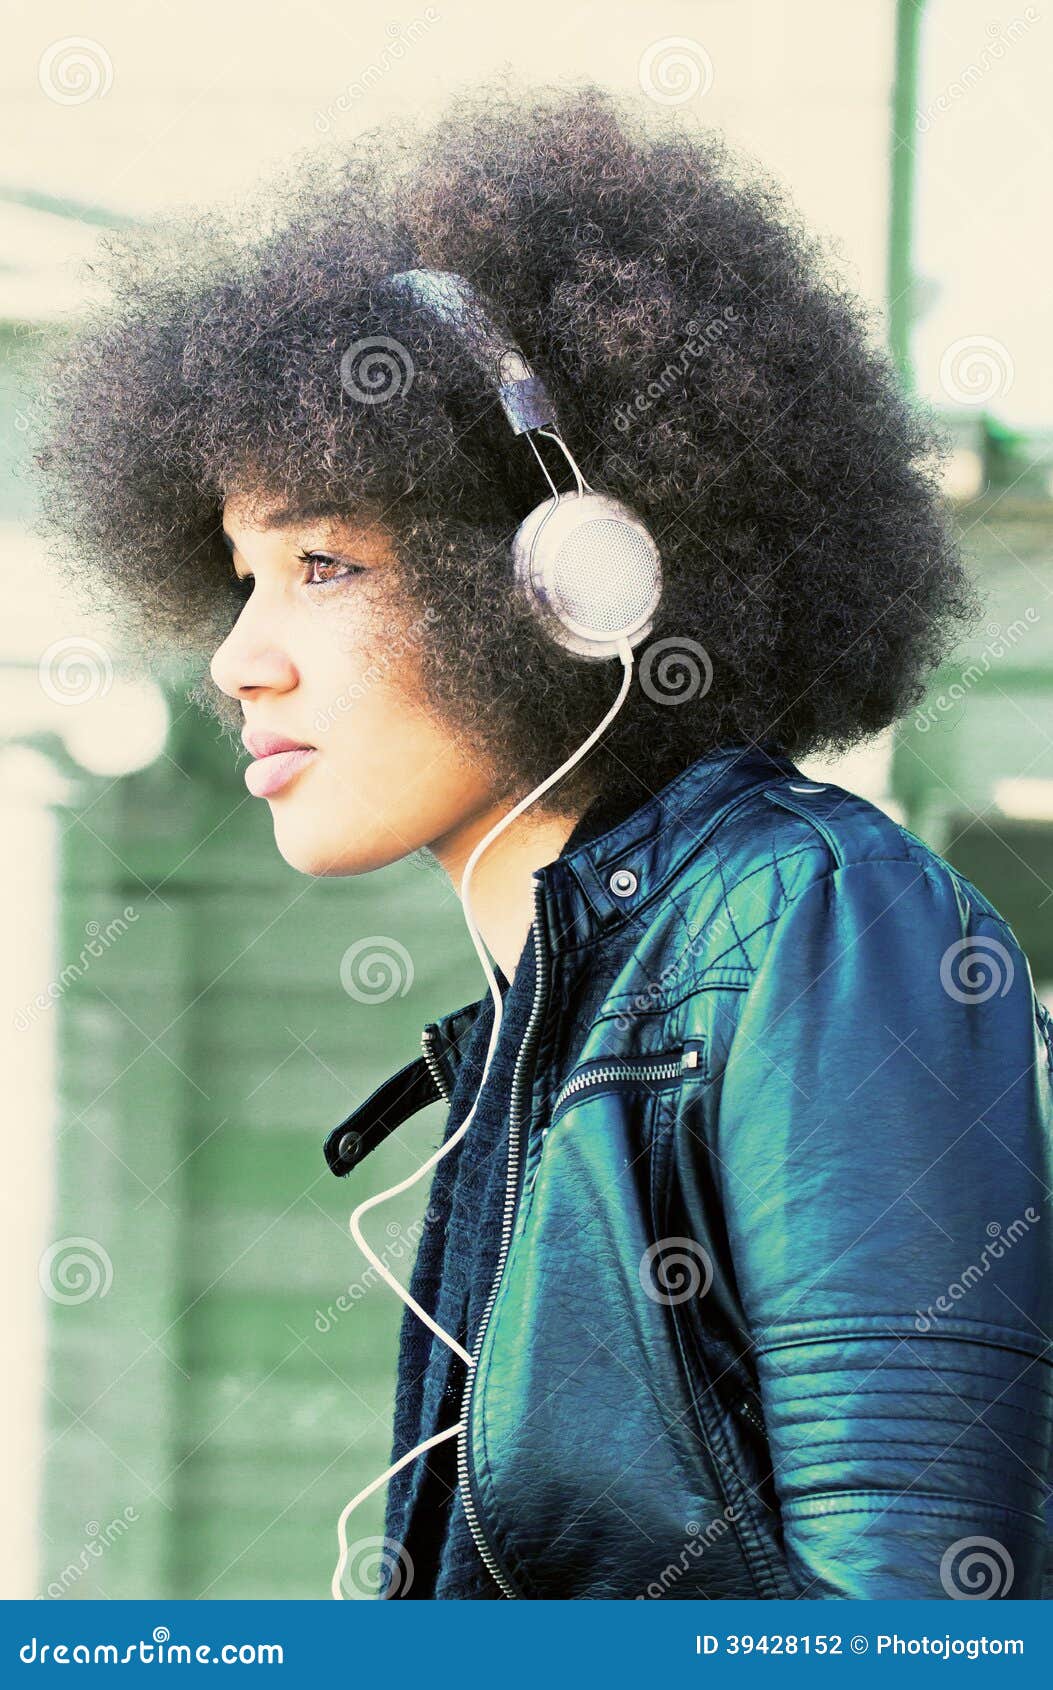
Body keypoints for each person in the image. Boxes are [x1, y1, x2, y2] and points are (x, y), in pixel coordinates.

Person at [34, 78, 1052, 1601]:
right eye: (240, 579)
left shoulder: (814, 920)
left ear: (577, 580)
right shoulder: (549, 1017)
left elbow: (905, 1636)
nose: (240, 657)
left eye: (321, 563)